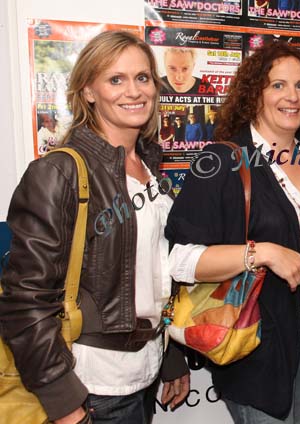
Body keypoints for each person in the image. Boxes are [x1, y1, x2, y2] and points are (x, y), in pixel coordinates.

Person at [0, 31, 190, 424]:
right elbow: (25, 301)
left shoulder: (151, 165)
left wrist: (170, 357)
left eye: (142, 78)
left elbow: (153, 274)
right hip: (91, 389)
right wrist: (65, 404)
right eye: (115, 79)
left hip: (146, 372)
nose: (134, 91)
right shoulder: (58, 172)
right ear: (88, 90)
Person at [166, 41, 300, 423]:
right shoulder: (222, 161)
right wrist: (261, 252)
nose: (291, 96)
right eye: (277, 85)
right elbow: (178, 259)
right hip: (256, 332)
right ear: (253, 94)